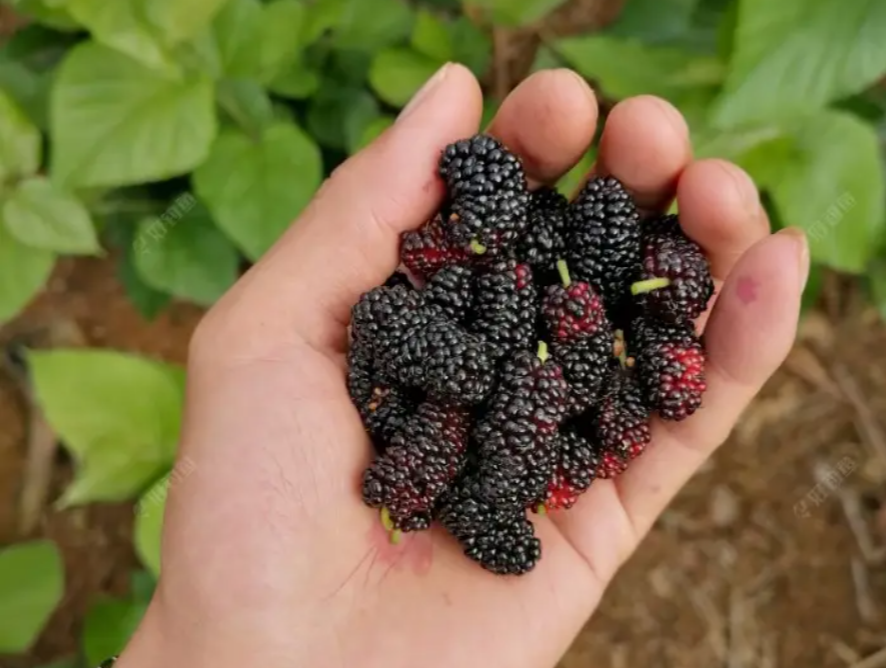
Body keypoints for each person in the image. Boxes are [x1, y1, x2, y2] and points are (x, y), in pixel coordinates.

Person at [112, 66, 807, 668]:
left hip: (529, 368)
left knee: (500, 364)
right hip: (490, 381)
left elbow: (507, 378)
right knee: (480, 368)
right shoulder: (470, 342)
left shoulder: (554, 344)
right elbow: (463, 367)